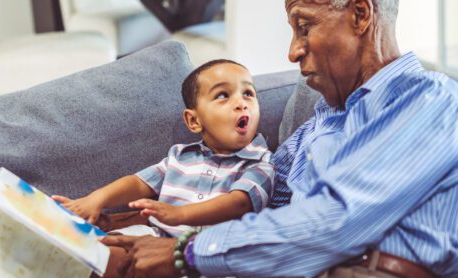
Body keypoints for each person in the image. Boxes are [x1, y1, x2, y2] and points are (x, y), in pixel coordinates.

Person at [100, 0, 458, 277]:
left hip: (363, 269)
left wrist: (187, 252)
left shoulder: (430, 100)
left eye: (304, 26)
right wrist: (155, 223)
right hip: (291, 267)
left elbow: (333, 223)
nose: (293, 51)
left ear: (361, 15)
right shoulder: (319, 125)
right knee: (105, 258)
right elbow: (253, 196)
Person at [53, 59, 274, 238]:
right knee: (104, 245)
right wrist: (96, 199)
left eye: (248, 93)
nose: (241, 103)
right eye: (223, 95)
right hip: (156, 235)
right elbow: (138, 183)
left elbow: (239, 203)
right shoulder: (180, 156)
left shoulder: (260, 162)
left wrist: (179, 214)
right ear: (194, 121)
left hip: (208, 254)